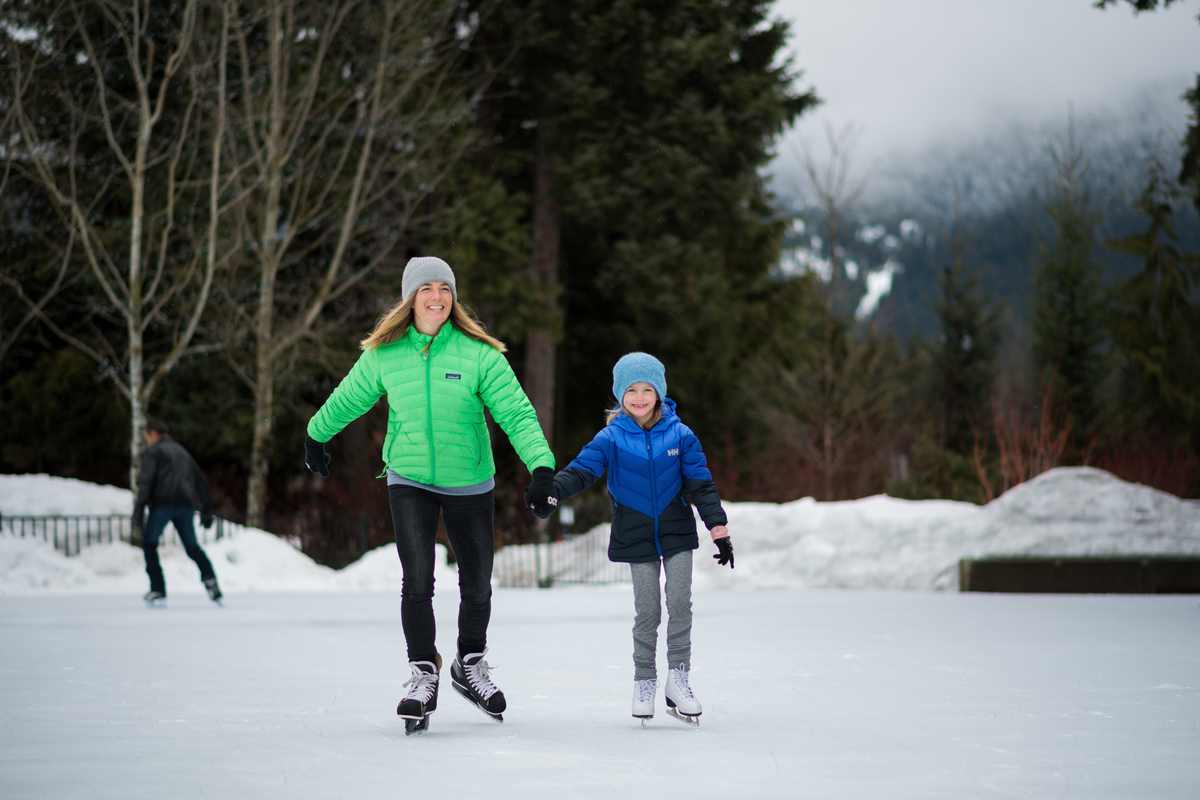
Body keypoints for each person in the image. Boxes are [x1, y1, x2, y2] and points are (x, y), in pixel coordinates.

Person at [305, 256, 555, 735]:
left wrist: (541, 468)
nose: (437, 296)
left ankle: (469, 663)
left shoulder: (480, 354)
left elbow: (517, 414)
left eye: (444, 288)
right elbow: (350, 395)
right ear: (410, 298)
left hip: (470, 480)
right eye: (427, 289)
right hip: (410, 478)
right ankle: (423, 672)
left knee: (477, 581)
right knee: (417, 578)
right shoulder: (386, 354)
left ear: (453, 297)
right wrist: (317, 434)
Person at [527, 352, 734, 726]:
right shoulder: (610, 438)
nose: (640, 397)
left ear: (659, 393)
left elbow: (701, 483)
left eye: (647, 389)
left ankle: (679, 679)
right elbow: (582, 470)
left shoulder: (681, 435)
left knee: (680, 603)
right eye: (632, 390)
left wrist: (717, 528)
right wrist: (554, 490)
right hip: (636, 535)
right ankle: (644, 681)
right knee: (649, 611)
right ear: (620, 394)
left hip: (676, 532)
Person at [133, 418, 222, 607]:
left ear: (153, 434)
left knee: (149, 544)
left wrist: (139, 510)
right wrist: (206, 510)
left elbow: (146, 482)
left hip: (162, 505)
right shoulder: (183, 452)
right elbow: (201, 482)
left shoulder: (153, 451)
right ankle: (210, 581)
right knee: (192, 547)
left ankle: (157, 588)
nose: (146, 440)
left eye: (146, 436)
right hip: (185, 505)